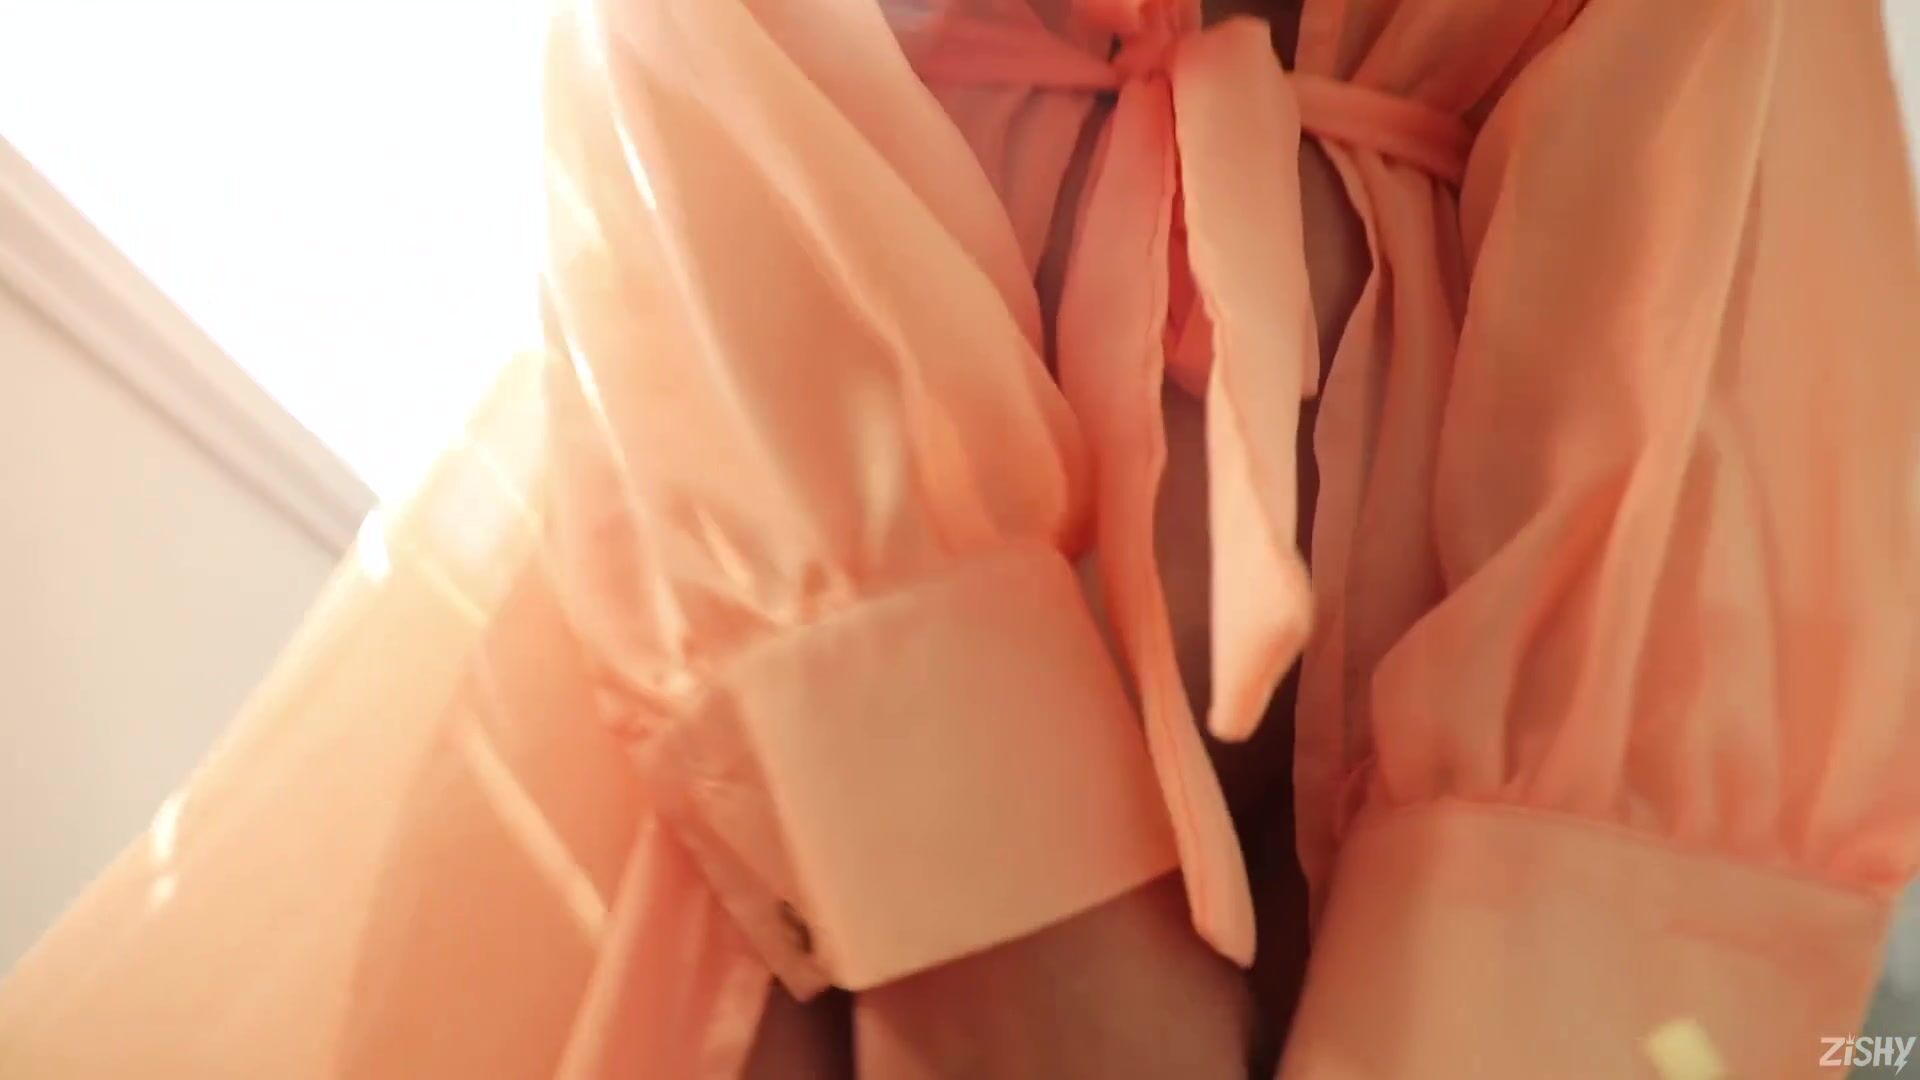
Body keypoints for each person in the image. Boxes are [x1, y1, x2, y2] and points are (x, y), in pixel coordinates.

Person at [3, 0, 1916, 1076]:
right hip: (776, 525)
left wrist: (1496, 998)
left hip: (1440, 652)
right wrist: (974, 868)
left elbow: (1734, 271)